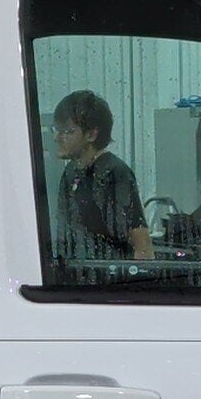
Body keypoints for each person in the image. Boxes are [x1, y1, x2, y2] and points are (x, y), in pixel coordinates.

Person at [50, 89, 153, 266]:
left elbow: (141, 243)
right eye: (56, 130)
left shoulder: (114, 173)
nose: (56, 138)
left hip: (107, 281)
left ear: (91, 134)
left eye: (67, 131)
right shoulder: (70, 173)